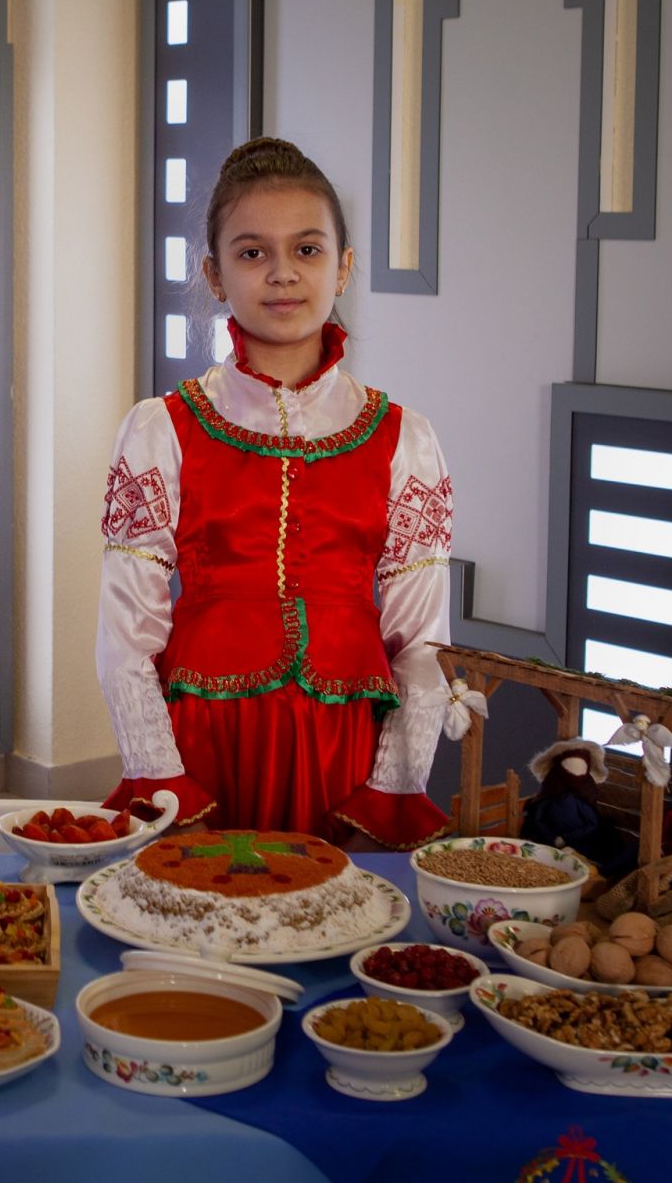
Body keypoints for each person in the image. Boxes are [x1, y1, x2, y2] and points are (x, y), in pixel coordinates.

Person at [97, 138, 453, 849]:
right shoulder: (161, 429)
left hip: (345, 752)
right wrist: (164, 780)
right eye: (253, 252)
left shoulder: (404, 439)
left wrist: (393, 786)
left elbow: (421, 645)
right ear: (215, 274)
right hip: (203, 744)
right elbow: (126, 638)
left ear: (343, 266)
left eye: (308, 249)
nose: (283, 273)